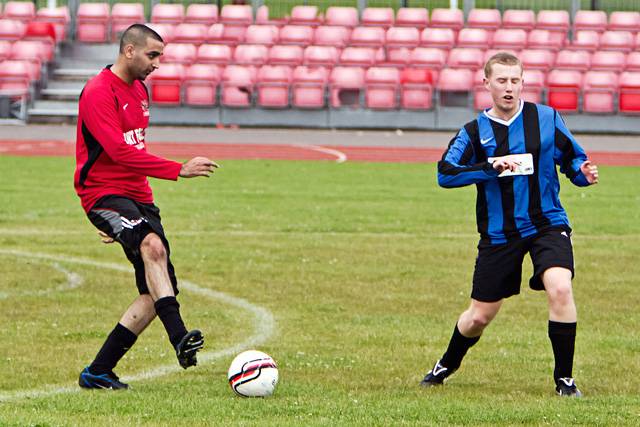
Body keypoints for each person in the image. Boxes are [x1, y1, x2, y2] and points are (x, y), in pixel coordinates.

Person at [421, 52, 598, 397]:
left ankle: (564, 380)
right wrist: (488, 169)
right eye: (501, 81)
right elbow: (445, 173)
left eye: (515, 80)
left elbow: (573, 159)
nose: (509, 88)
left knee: (560, 286)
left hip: (547, 223)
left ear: (522, 82)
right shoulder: (473, 132)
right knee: (479, 317)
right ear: (486, 83)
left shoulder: (545, 118)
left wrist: (583, 174)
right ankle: (445, 364)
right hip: (499, 234)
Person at [74, 24, 219, 390]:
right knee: (152, 246)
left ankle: (98, 371)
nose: (158, 64)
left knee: (156, 291)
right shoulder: (97, 92)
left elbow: (134, 152)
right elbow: (119, 152)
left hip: (138, 196)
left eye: (160, 56)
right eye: (152, 55)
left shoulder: (139, 90)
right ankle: (180, 337)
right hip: (102, 193)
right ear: (129, 51)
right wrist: (177, 169)